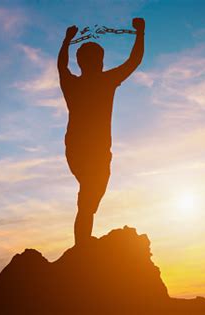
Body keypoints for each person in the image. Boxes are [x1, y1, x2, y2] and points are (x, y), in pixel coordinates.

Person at [57, 18, 145, 246]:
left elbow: (61, 67)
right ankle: (82, 249)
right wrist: (140, 33)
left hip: (82, 150)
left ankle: (82, 244)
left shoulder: (80, 83)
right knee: (88, 199)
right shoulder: (103, 81)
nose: (99, 62)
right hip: (88, 151)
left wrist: (67, 41)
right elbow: (134, 61)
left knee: (90, 199)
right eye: (96, 59)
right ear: (91, 62)